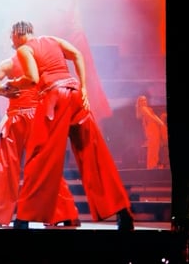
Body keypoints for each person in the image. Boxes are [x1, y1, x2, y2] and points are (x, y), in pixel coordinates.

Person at [10, 21, 135, 231]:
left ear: (17, 34)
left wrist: (12, 85)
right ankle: (123, 212)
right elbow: (77, 54)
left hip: (54, 97)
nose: (11, 42)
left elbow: (31, 78)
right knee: (94, 154)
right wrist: (83, 86)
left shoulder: (24, 49)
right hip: (75, 94)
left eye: (11, 37)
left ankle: (23, 218)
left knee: (40, 156)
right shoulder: (52, 40)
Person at [0, 31, 79, 229]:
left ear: (16, 37)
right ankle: (63, 213)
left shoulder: (10, 63)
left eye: (12, 36)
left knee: (7, 166)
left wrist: (3, 91)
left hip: (19, 118)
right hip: (36, 117)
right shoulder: (38, 59)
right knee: (46, 167)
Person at [136, 94, 168, 170]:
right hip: (152, 129)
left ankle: (153, 165)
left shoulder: (146, 108)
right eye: (142, 100)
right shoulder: (143, 108)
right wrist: (160, 123)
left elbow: (153, 116)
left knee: (155, 148)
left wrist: (160, 122)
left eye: (145, 99)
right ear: (139, 102)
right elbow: (151, 117)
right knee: (153, 148)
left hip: (153, 128)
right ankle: (151, 165)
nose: (144, 101)